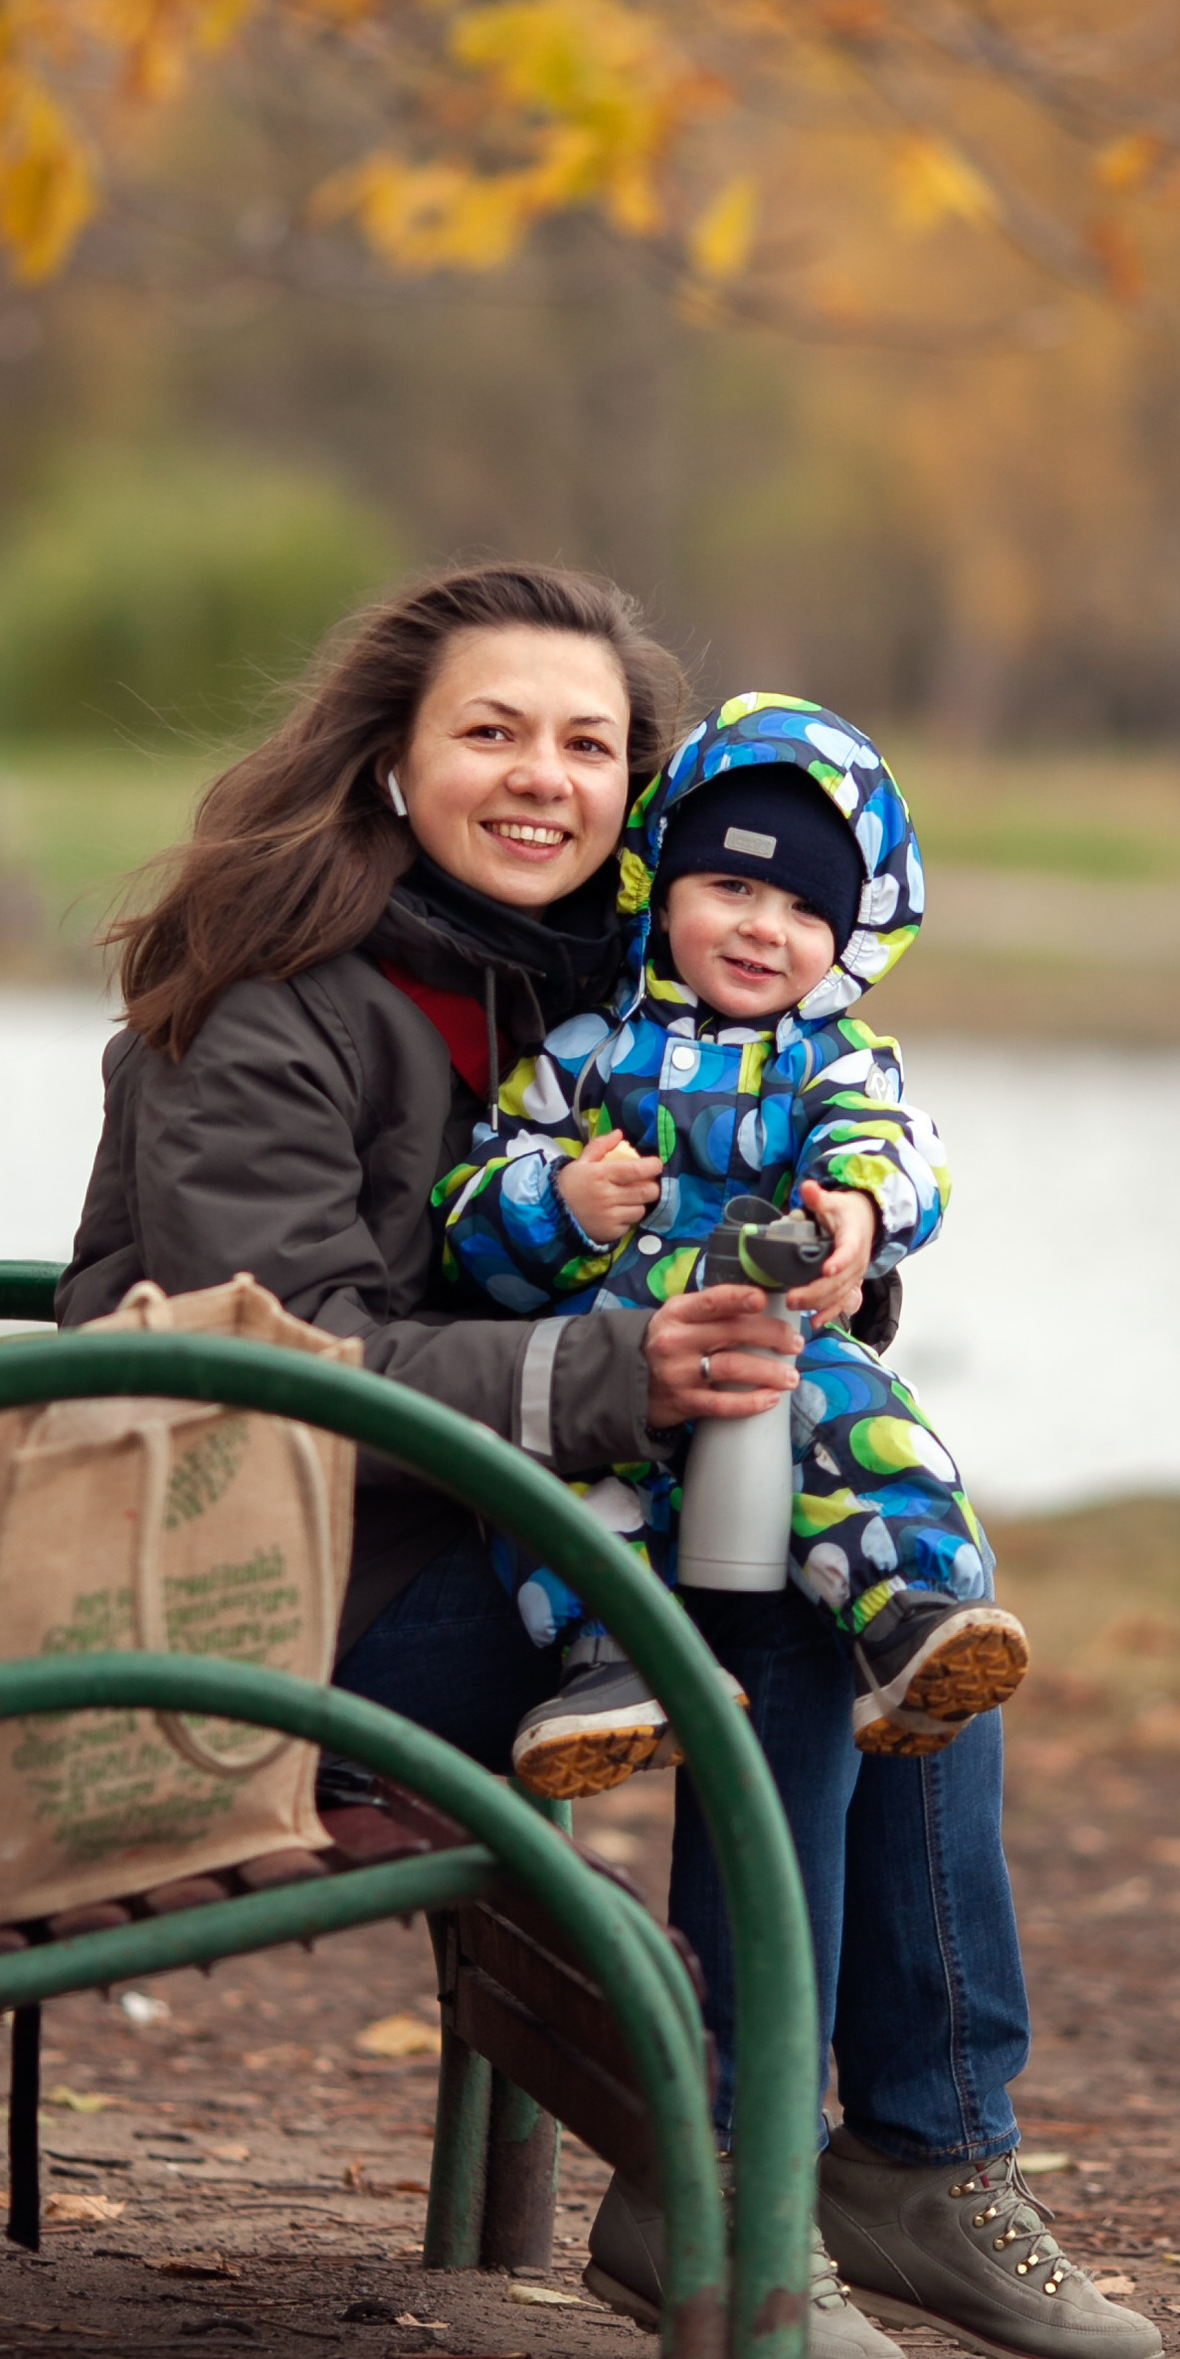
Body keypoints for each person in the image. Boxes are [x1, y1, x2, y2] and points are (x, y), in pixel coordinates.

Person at [60, 562, 1162, 2359]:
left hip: (505, 1529)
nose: (539, 778)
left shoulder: (609, 975)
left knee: (886, 1585)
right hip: (289, 1589)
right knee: (794, 1630)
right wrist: (605, 1370)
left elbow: (780, 1127)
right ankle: (726, 2183)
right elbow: (274, 1362)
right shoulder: (272, 1000)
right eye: (489, 732)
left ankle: (926, 2156)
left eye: (586, 744)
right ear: (389, 765)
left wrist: (825, 1252)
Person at [438, 693, 1028, 1798]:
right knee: (545, 1477)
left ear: (852, 938)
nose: (765, 926)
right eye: (733, 887)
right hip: (609, 1354)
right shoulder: (582, 1052)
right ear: (660, 888)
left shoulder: (836, 1061)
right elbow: (471, 1211)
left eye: (807, 908)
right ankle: (614, 1662)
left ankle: (911, 1614)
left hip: (771, 1347)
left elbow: (894, 1145)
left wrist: (858, 1213)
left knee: (862, 1421)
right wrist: (556, 1198)